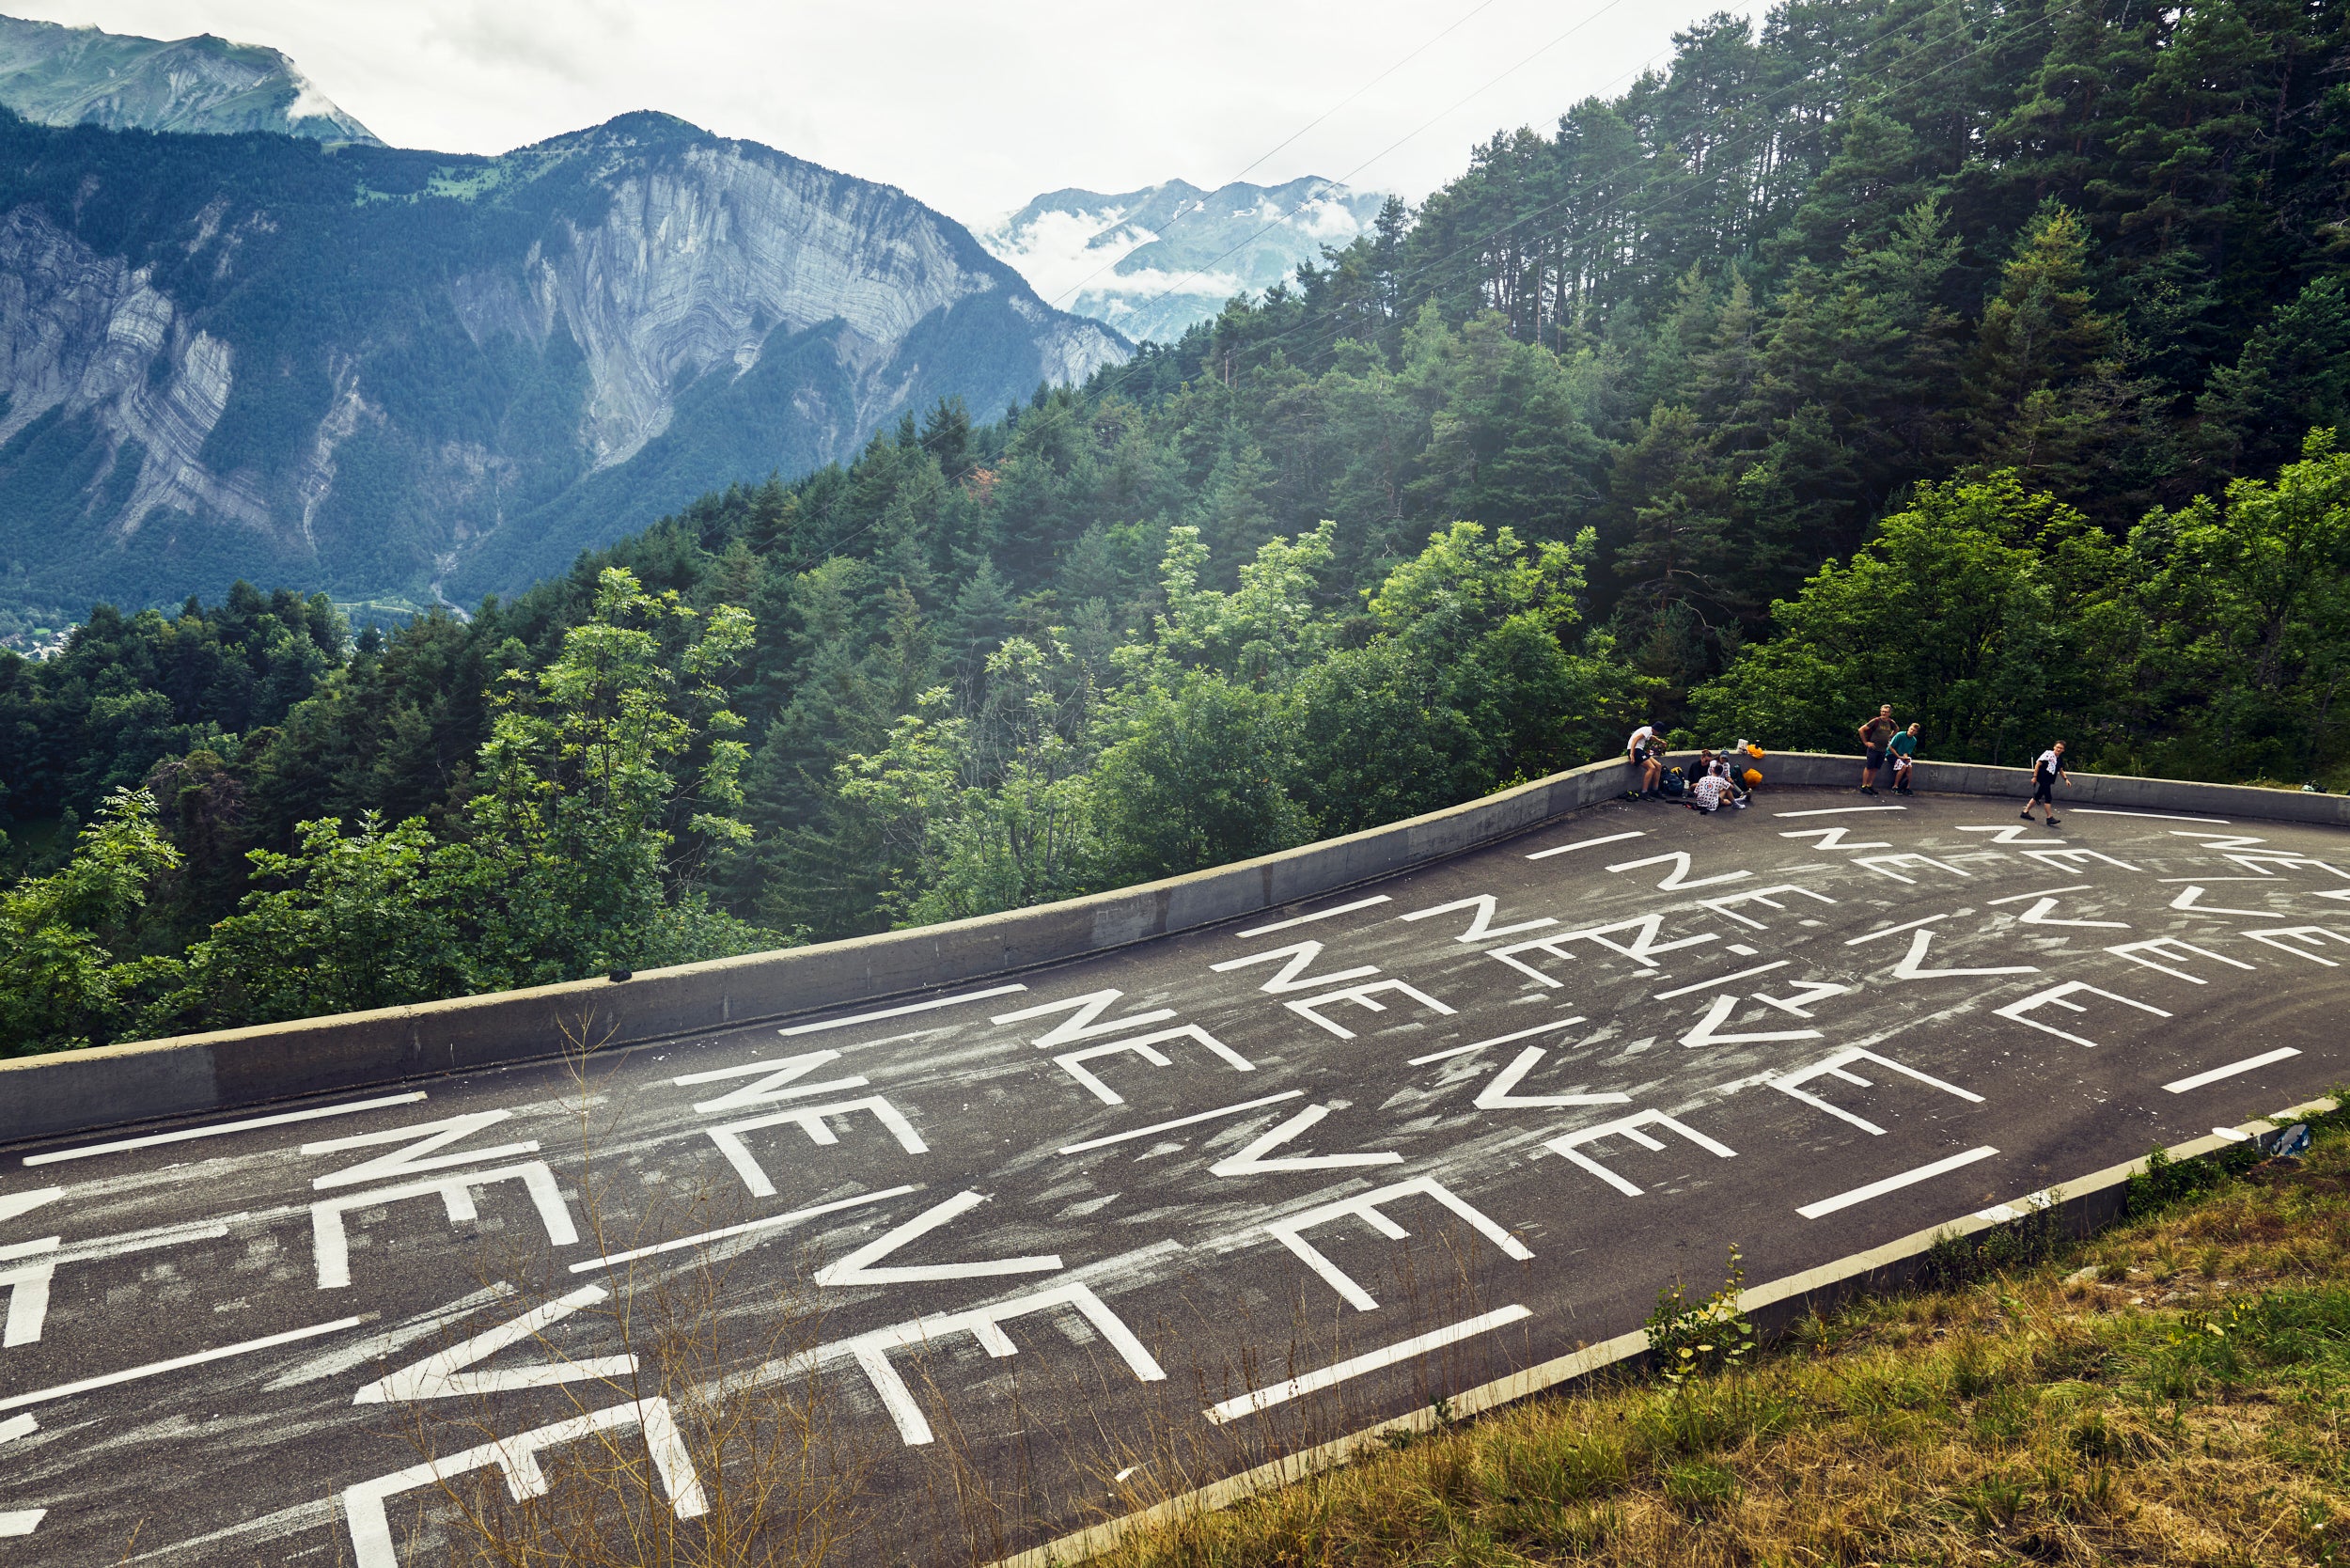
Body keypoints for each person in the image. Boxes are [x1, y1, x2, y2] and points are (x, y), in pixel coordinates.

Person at [2022, 740, 2068, 826]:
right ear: (2054, 747)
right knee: (2048, 797)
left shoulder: (2059, 759)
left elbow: (2061, 770)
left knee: (2038, 796)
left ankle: (2025, 812)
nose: (2058, 749)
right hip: (2043, 778)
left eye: (2061, 748)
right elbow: (2037, 765)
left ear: (2063, 750)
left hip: (2049, 780)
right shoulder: (2048, 755)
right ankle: (2049, 817)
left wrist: (2066, 779)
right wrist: (2035, 777)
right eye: (2057, 747)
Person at [1856, 703, 1897, 794]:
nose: (1884, 713)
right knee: (1869, 767)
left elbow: (1896, 729)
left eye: (1886, 712)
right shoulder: (1876, 721)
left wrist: (1890, 736)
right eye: (1882, 711)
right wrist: (1866, 742)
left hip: (1883, 749)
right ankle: (1864, 786)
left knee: (1875, 768)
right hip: (1873, 748)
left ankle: (1870, 785)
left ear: (1889, 713)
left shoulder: (1890, 722)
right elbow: (1861, 730)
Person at [1625, 723, 1662, 799]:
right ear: (1657, 730)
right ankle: (1644, 792)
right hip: (1635, 750)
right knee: (1651, 768)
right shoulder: (1647, 730)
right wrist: (1632, 754)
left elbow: (1652, 737)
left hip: (1640, 750)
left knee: (1658, 765)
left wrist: (1660, 742)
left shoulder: (1648, 730)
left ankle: (1655, 790)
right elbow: (1635, 739)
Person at [1888, 722, 1920, 795]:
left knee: (1909, 767)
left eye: (1914, 730)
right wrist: (1898, 757)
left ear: (1916, 732)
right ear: (1909, 728)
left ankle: (1907, 787)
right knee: (1903, 766)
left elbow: (1906, 751)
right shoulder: (1900, 735)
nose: (1912, 731)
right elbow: (1890, 747)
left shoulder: (1913, 740)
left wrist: (1906, 758)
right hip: (1892, 754)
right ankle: (1895, 786)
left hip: (1902, 755)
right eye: (1911, 729)